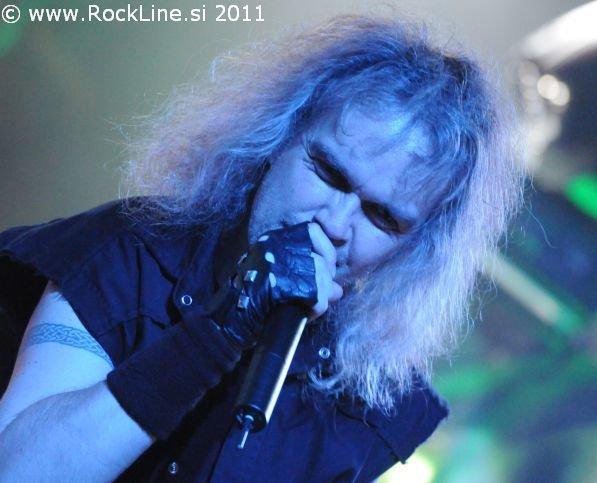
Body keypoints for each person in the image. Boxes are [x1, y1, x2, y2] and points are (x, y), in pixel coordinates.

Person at [0, 14, 523, 481]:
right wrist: (222, 329)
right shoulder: (133, 255)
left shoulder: (370, 408)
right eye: (328, 172)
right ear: (277, 137)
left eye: (381, 217)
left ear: (413, 250)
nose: (335, 224)